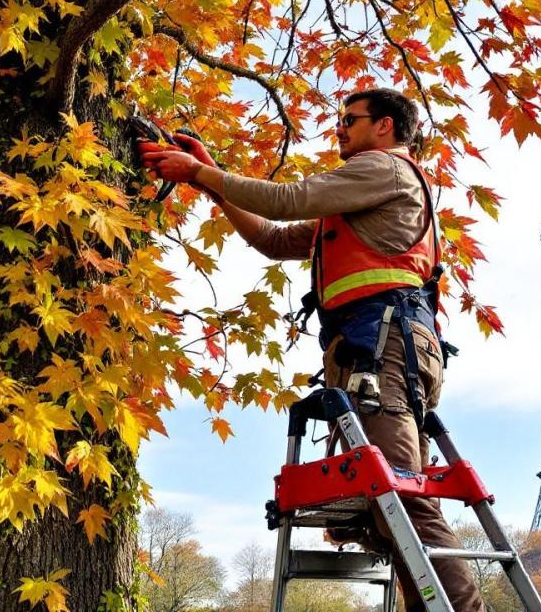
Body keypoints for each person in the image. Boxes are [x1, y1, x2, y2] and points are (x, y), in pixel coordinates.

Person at [140, 88, 485, 612]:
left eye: (351, 119)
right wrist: (212, 184)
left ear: (386, 127)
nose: (340, 128)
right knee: (384, 502)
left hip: (385, 342)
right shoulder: (356, 203)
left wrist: (201, 174)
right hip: (370, 345)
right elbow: (274, 240)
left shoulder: (383, 170)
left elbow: (288, 199)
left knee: (400, 494)